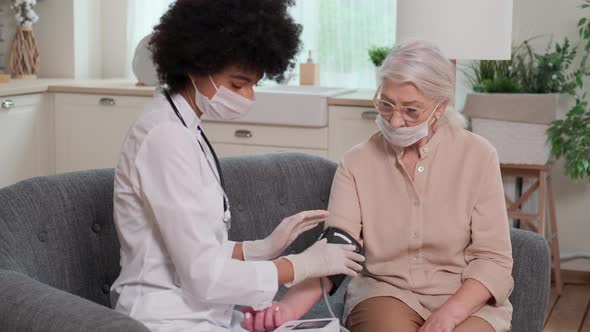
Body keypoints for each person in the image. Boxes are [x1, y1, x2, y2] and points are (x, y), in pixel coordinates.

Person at [110, 1, 365, 331]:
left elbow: (194, 245)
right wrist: (300, 265)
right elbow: (203, 276)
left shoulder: (185, 128)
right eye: (237, 84)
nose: (248, 98)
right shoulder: (165, 138)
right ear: (197, 65)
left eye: (253, 85)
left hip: (202, 312)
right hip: (164, 317)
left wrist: (261, 248)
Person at [243, 41, 514, 332]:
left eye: (411, 110)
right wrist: (286, 309)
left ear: (440, 107)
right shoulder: (357, 162)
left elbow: (493, 258)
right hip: (386, 293)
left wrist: (449, 315)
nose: (396, 121)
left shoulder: (479, 156)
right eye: (386, 105)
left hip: (463, 295)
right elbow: (337, 250)